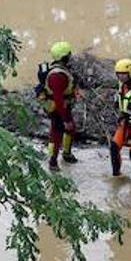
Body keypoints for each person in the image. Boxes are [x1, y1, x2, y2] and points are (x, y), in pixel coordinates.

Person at [40, 41, 79, 171]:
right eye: (68, 55)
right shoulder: (57, 76)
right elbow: (58, 99)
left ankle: (66, 153)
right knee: (56, 134)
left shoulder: (61, 70)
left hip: (62, 106)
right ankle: (52, 161)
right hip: (57, 108)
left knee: (70, 129)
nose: (70, 57)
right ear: (64, 57)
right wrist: (65, 119)